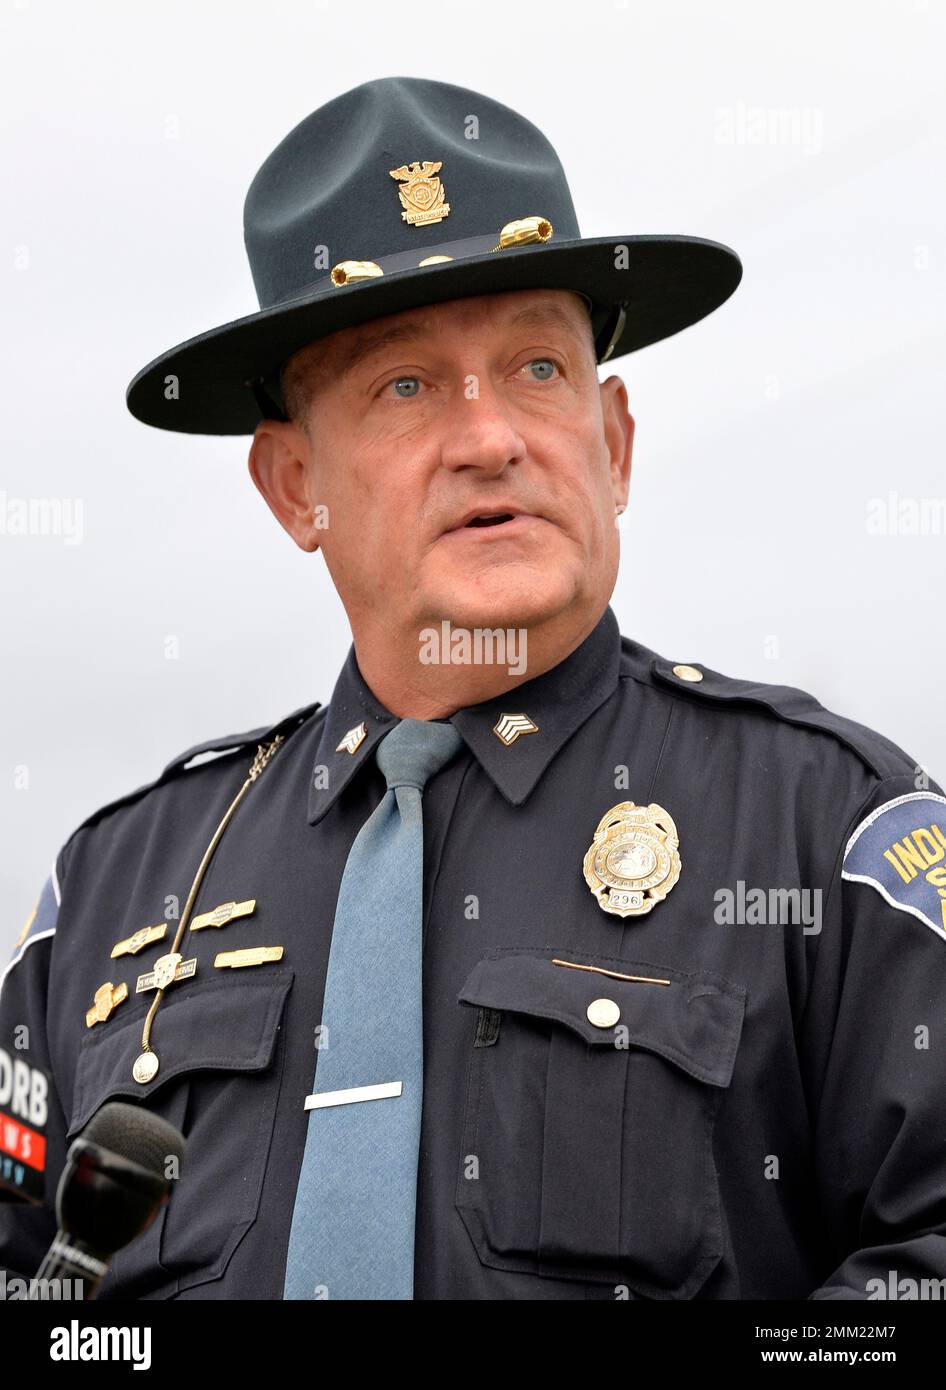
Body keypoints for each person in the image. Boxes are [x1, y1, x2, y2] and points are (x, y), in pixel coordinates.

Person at [2, 75, 944, 1302]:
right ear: (294, 487)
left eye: (538, 369)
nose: (491, 435)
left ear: (612, 445)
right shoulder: (112, 889)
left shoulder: (830, 830)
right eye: (403, 385)